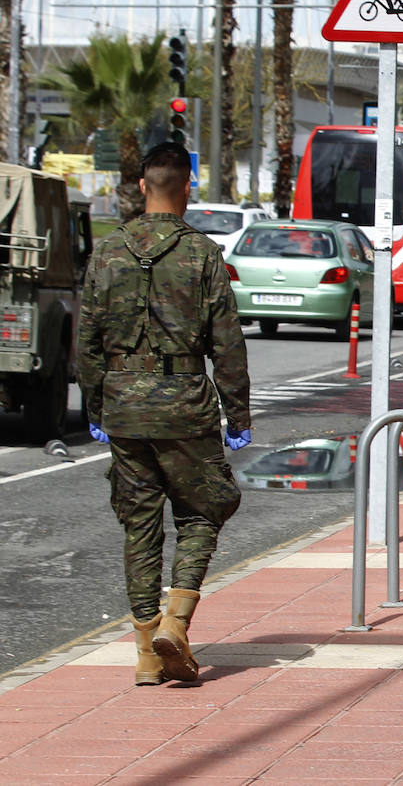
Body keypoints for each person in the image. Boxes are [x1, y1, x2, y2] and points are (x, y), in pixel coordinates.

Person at [77, 142, 253, 686]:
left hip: (125, 407)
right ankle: (175, 624)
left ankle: (145, 654)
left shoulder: (107, 252)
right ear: (187, 186)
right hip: (185, 405)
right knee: (203, 511)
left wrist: (96, 406)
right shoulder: (201, 255)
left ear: (141, 184)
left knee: (139, 524)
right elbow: (227, 344)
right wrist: (237, 416)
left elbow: (86, 343)